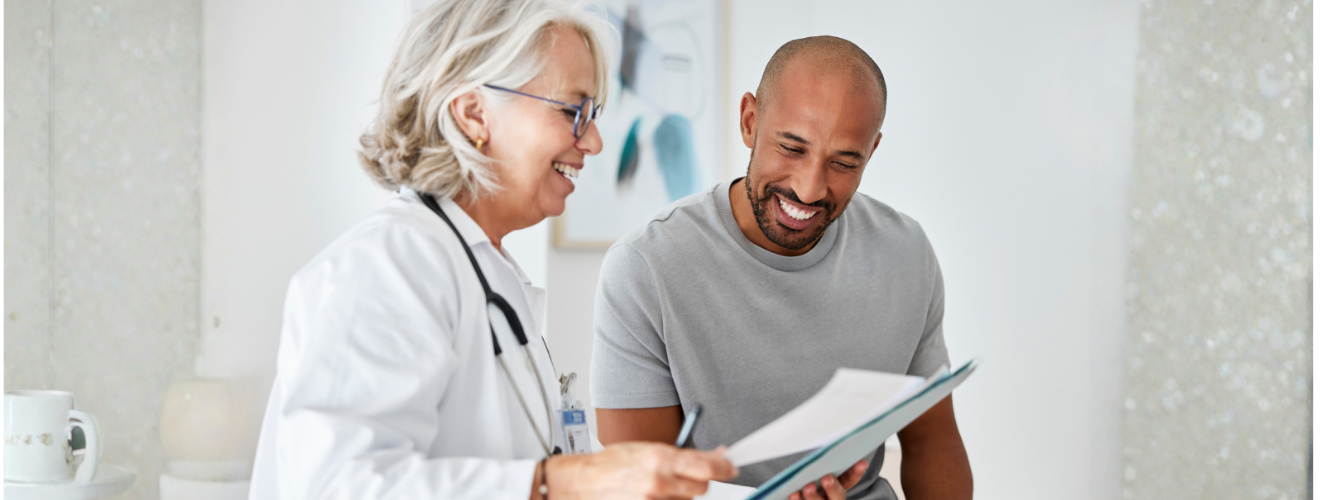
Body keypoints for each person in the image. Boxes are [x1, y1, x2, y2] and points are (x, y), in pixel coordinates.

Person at [248, 1, 735, 498]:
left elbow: (550, 458)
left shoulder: (489, 273)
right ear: (474, 114)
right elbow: (337, 484)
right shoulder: (383, 266)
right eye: (573, 111)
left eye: (593, 114)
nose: (593, 142)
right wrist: (559, 482)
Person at [590, 36, 973, 500]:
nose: (810, 189)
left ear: (871, 152)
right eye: (792, 148)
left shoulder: (905, 253)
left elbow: (933, 440)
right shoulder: (646, 267)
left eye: (843, 162)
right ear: (750, 122)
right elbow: (636, 483)